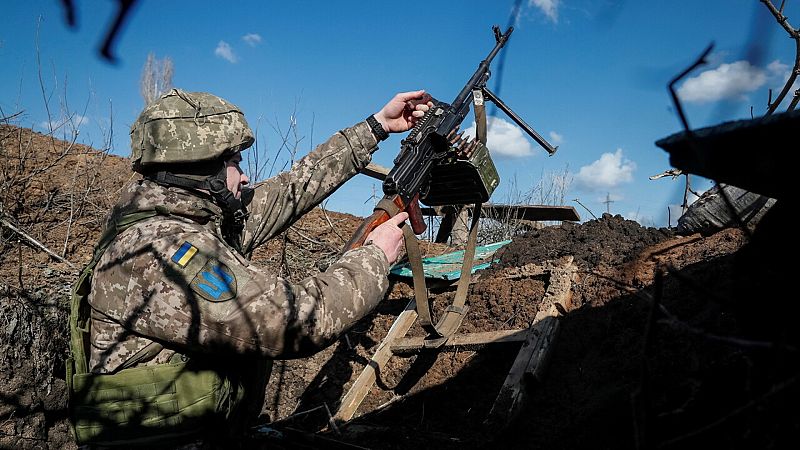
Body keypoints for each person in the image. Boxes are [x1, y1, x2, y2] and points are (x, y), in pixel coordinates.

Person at [67, 88, 432, 448]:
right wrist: (374, 257)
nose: (244, 177)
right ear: (200, 169)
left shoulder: (198, 216)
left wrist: (377, 126)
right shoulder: (160, 250)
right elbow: (295, 321)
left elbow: (293, 189)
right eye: (235, 163)